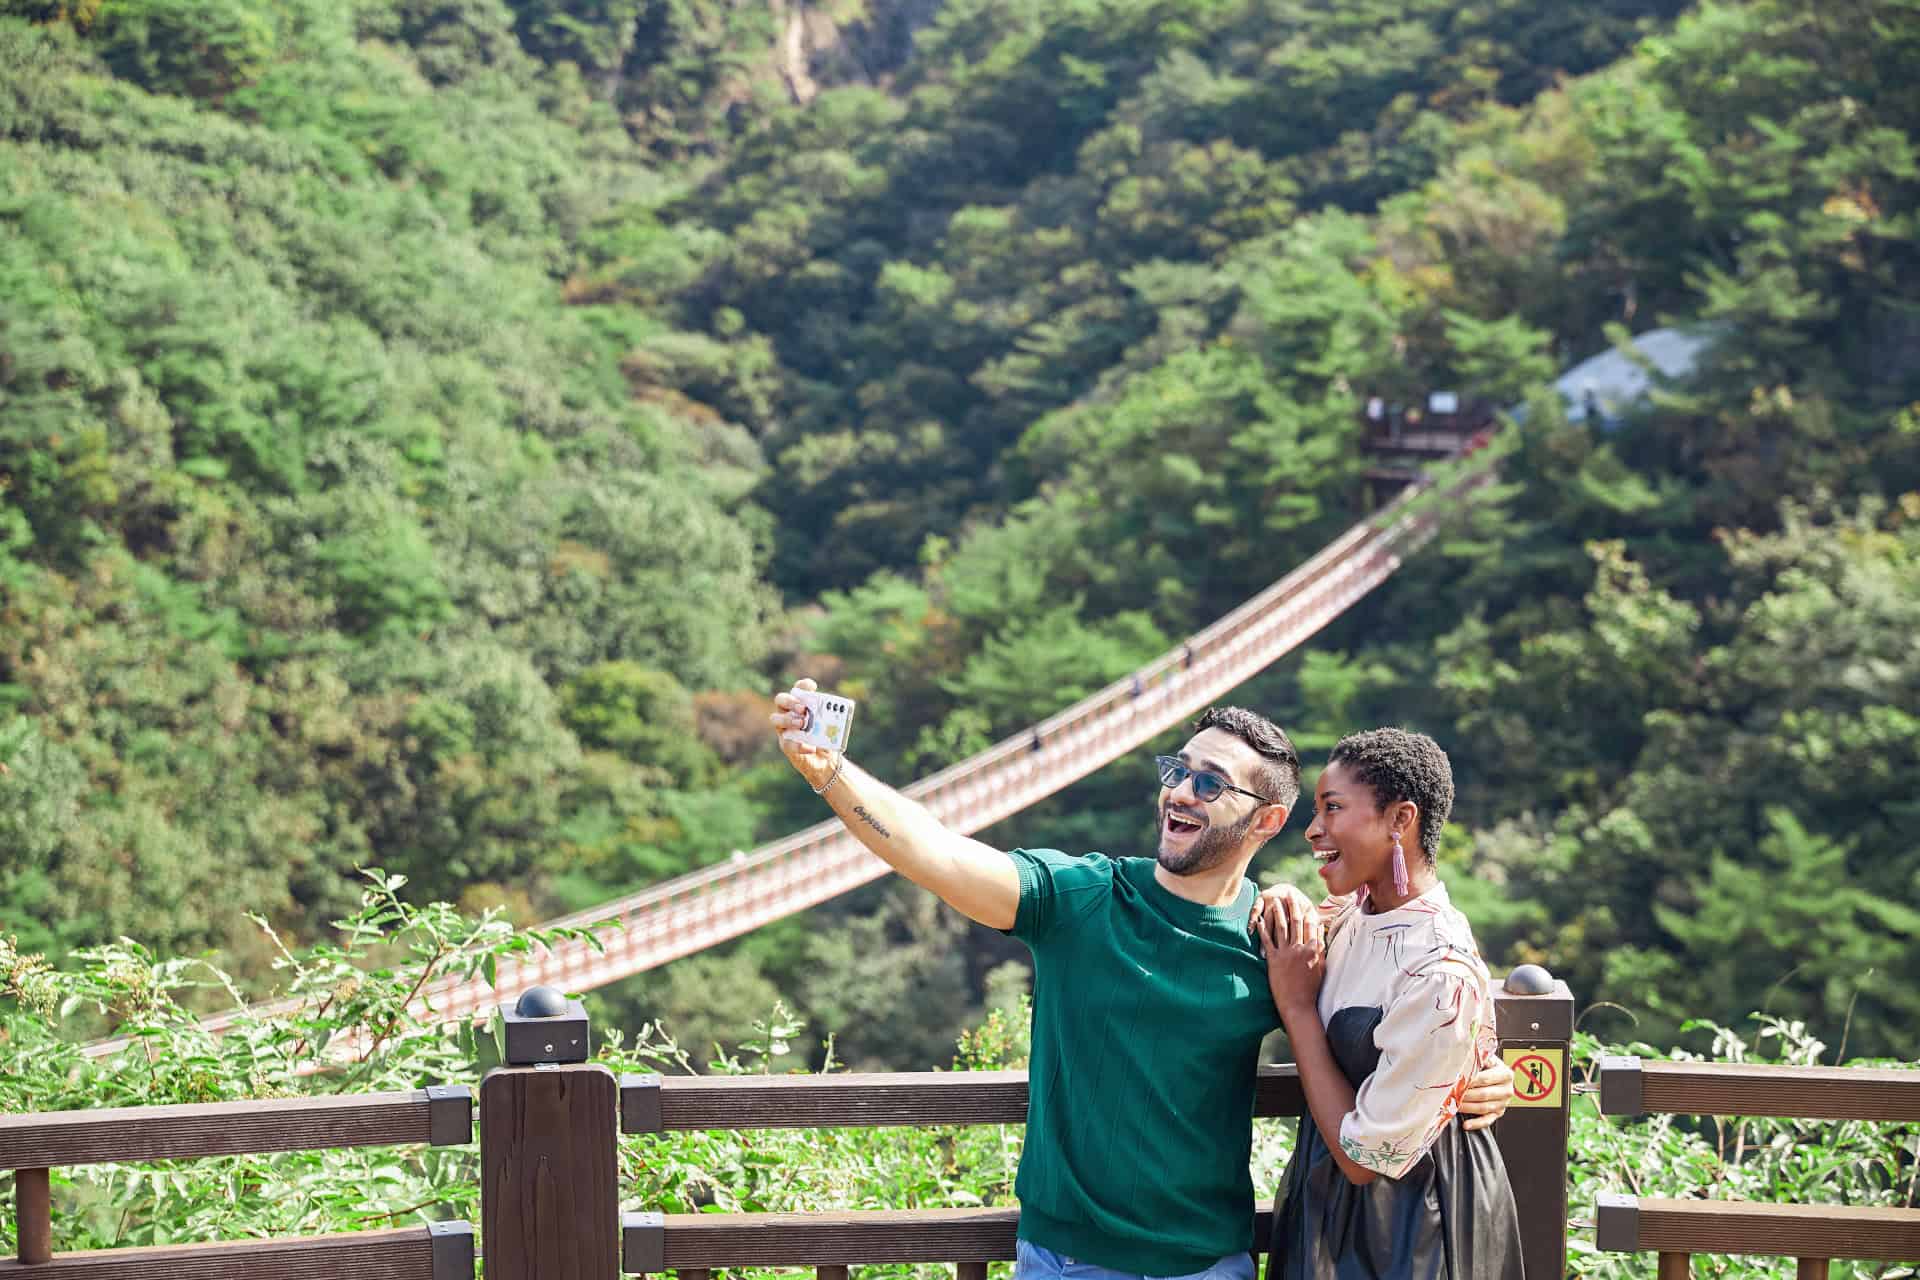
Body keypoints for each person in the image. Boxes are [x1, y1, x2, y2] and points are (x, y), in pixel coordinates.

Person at [771, 681, 1515, 1280]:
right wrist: (831, 772)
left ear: (1267, 821)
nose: (1181, 791)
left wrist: (1483, 1076)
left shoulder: (1283, 937)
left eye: (1210, 783)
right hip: (1069, 1261)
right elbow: (934, 853)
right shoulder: (1079, 900)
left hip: (1211, 1265)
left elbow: (1405, 1013)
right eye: (1178, 771)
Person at [1256, 729, 1524, 1280]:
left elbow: (1362, 1161)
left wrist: (1299, 1011)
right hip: (1333, 1216)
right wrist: (1281, 895)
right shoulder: (1356, 917)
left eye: (1333, 809)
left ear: (1401, 820)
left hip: (1415, 1229)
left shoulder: (1441, 970)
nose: (1313, 830)